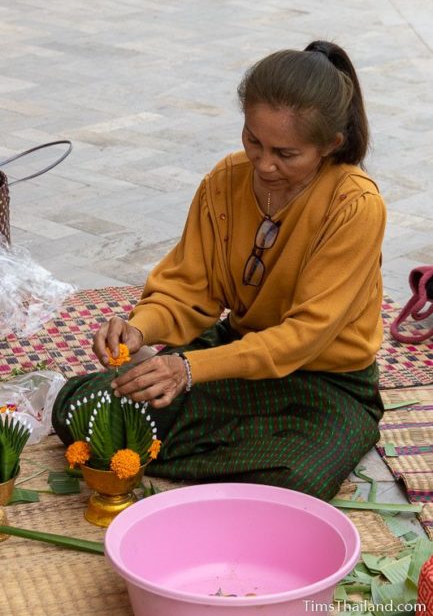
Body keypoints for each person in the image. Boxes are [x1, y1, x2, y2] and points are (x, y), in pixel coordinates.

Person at [62, 40, 387, 501]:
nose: (264, 163)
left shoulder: (355, 205)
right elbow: (188, 290)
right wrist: (140, 328)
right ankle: (230, 456)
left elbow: (304, 336)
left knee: (294, 482)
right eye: (253, 140)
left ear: (330, 145)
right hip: (235, 360)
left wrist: (189, 369)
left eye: (286, 153)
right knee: (83, 411)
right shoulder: (225, 181)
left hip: (326, 383)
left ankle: (261, 450)